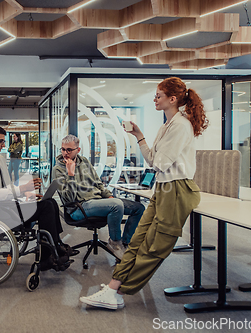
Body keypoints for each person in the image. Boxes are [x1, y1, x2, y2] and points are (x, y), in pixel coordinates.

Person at [79, 77, 207, 310]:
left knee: (154, 247)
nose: (155, 99)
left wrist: (154, 156)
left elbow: (159, 164)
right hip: (164, 188)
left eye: (158, 95)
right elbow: (152, 160)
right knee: (137, 242)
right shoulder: (166, 126)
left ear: (173, 98)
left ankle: (118, 289)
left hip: (177, 190)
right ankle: (112, 288)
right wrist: (139, 135)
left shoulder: (181, 125)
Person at [0, 124, 74, 271]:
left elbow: (5, 187)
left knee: (50, 202)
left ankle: (56, 245)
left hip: (6, 205)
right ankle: (48, 256)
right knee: (46, 207)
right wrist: (22, 188)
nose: (4, 144)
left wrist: (25, 193)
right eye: (1, 141)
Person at [52, 134, 145, 259]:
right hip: (78, 207)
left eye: (69, 150)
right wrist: (71, 174)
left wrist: (109, 196)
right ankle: (115, 243)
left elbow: (97, 182)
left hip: (97, 201)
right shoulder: (58, 169)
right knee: (116, 206)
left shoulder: (84, 161)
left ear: (78, 150)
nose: (65, 153)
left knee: (138, 208)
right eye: (63, 149)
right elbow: (69, 198)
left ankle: (125, 243)